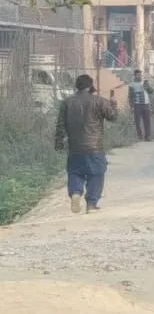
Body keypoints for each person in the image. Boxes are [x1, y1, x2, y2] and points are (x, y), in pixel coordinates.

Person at [55, 75, 119, 213]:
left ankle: (75, 193)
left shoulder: (67, 102)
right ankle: (91, 204)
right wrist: (113, 104)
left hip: (74, 147)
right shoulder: (99, 101)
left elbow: (60, 125)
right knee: (96, 174)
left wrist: (59, 144)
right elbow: (112, 117)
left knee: (75, 172)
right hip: (94, 147)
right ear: (91, 86)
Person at [126, 69, 154, 141]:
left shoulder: (144, 83)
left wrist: (147, 85)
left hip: (146, 104)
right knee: (137, 122)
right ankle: (140, 136)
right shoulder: (132, 85)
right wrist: (131, 106)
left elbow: (151, 92)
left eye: (140, 75)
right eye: (138, 75)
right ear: (134, 76)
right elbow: (130, 96)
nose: (139, 76)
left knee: (147, 121)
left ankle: (147, 136)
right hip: (137, 104)